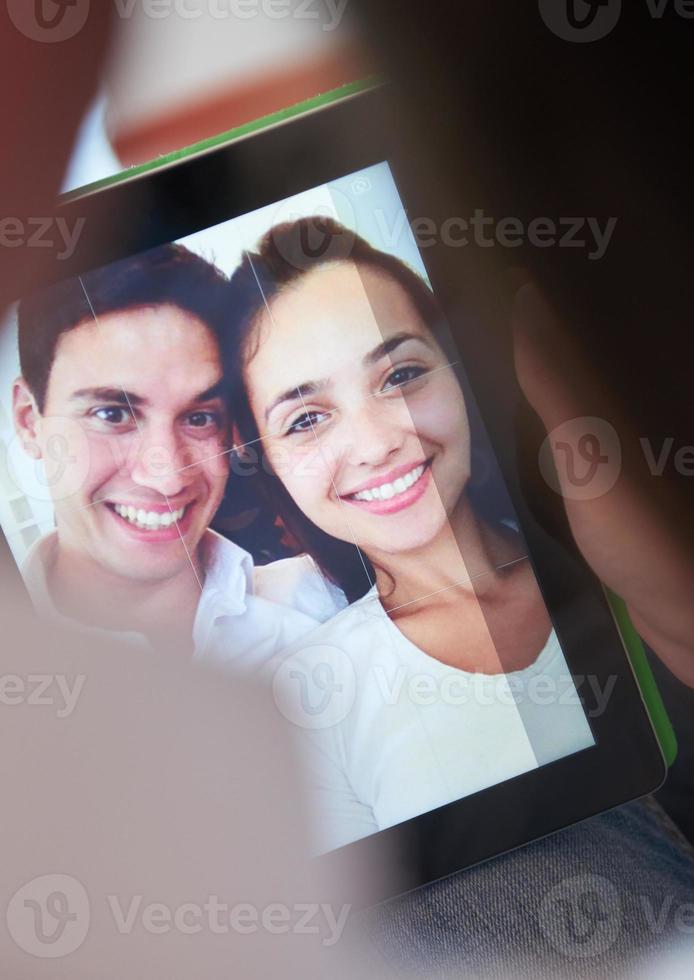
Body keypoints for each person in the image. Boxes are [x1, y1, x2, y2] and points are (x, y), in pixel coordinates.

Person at [228, 218, 596, 849]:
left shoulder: (598, 545)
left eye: (399, 375)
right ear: (267, 461)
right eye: (307, 418)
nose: (376, 444)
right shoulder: (303, 705)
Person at [12, 244, 342, 671]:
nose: (167, 476)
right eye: (112, 414)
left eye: (200, 417)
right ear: (27, 420)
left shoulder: (325, 604)